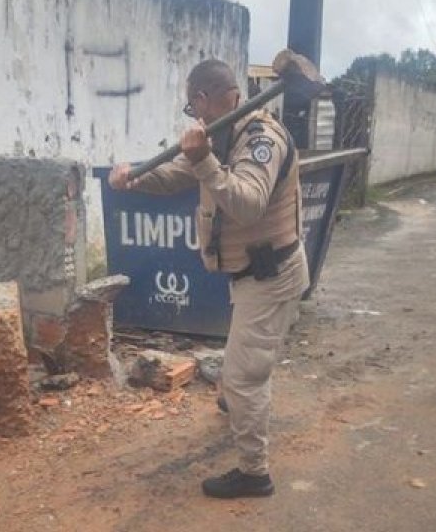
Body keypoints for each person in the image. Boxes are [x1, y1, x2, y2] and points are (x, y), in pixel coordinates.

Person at [109, 59, 307, 499]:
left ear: (202, 98)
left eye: (191, 105)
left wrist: (204, 163)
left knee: (245, 375)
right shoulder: (222, 133)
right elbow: (176, 174)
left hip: (270, 275)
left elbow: (248, 203)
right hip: (249, 273)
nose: (193, 114)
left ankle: (255, 473)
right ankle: (237, 400)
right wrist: (133, 178)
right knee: (246, 358)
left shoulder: (261, 139)